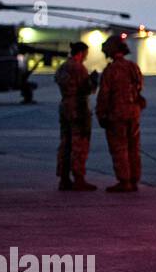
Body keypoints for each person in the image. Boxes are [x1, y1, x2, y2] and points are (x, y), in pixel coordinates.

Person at [96, 34, 145, 193]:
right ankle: (134, 179)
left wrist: (101, 114)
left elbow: (104, 95)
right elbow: (139, 87)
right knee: (133, 147)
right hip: (133, 113)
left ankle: (124, 181)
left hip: (117, 114)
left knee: (119, 147)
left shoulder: (111, 70)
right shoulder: (133, 67)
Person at [54, 41, 96, 191]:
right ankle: (79, 178)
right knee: (79, 144)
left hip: (65, 105)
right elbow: (86, 89)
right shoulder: (79, 68)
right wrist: (93, 82)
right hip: (78, 107)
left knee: (65, 143)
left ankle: (64, 179)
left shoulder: (63, 66)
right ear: (81, 53)